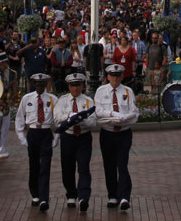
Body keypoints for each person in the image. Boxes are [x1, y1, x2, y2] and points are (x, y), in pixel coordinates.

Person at [94, 64, 140, 211]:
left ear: (122, 76)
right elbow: (98, 111)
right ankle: (112, 195)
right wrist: (112, 114)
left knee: (122, 164)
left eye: (118, 75)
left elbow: (134, 111)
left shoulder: (128, 91)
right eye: (112, 75)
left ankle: (124, 196)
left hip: (123, 132)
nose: (115, 78)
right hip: (107, 132)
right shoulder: (101, 91)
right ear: (108, 77)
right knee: (109, 165)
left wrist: (125, 117)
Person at [54, 72, 97, 212]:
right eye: (73, 85)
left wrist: (81, 119)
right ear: (69, 86)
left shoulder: (88, 101)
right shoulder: (62, 100)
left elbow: (93, 121)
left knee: (84, 167)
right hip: (68, 137)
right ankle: (71, 194)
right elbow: (56, 118)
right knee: (67, 167)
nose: (75, 88)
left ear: (82, 86)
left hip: (83, 137)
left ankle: (84, 196)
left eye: (78, 85)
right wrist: (69, 117)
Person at [15, 73, 58, 213]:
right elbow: (20, 118)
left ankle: (44, 198)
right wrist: (22, 137)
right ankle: (35, 194)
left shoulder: (52, 99)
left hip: (45, 132)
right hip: (32, 133)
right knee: (34, 165)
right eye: (37, 84)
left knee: (45, 166)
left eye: (42, 84)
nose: (40, 87)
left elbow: (58, 120)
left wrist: (56, 138)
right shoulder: (27, 99)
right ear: (34, 85)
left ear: (46, 85)